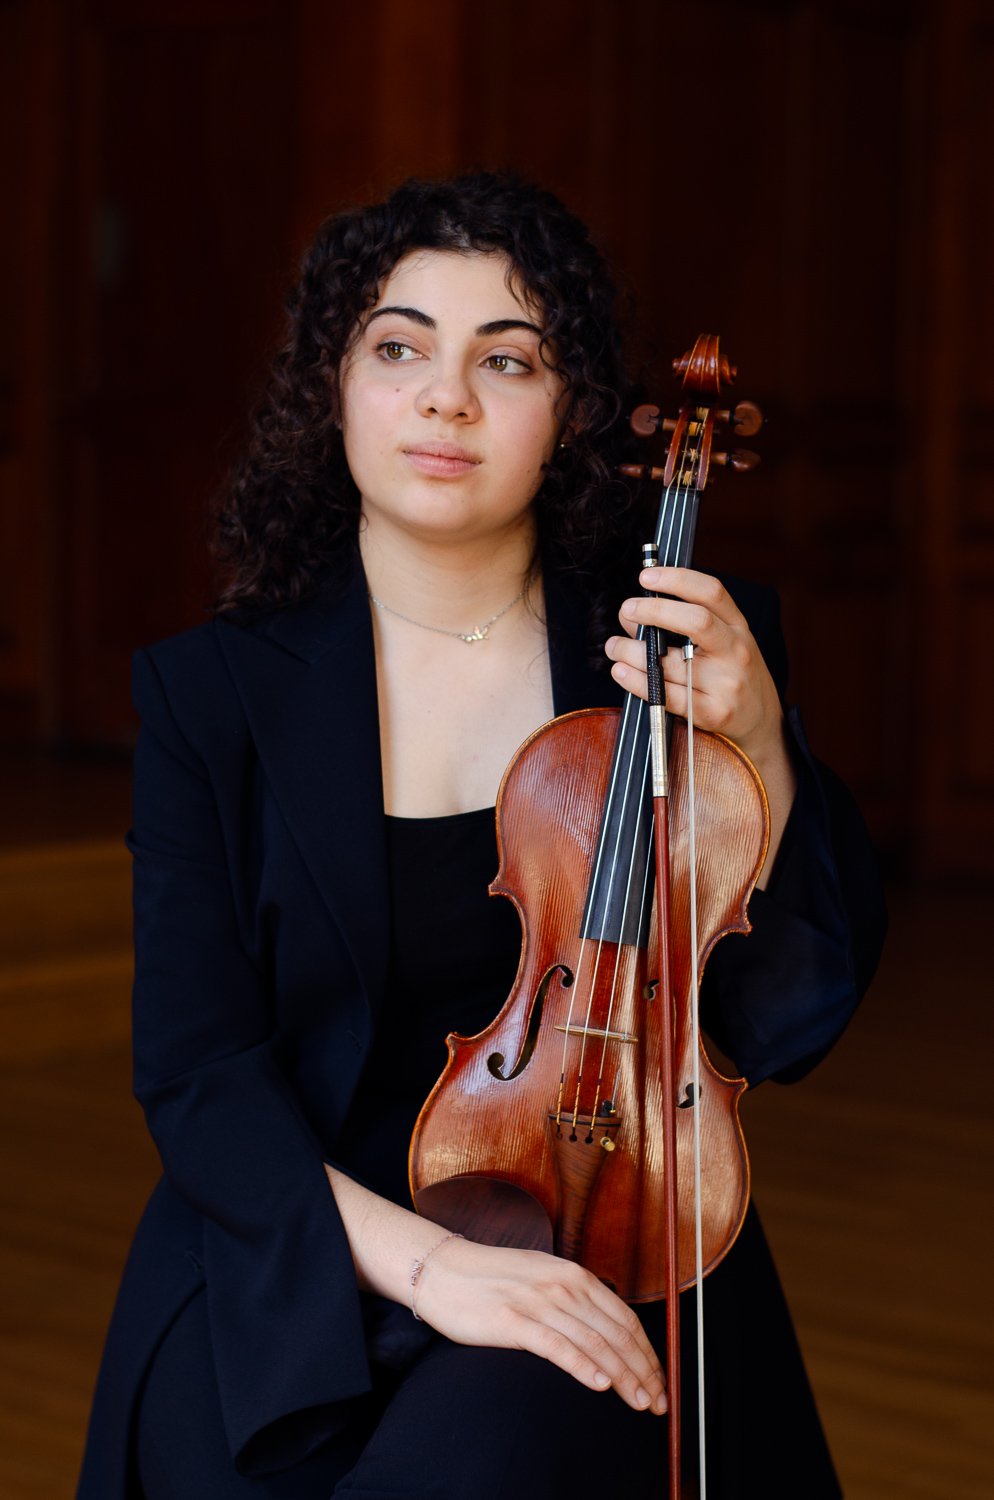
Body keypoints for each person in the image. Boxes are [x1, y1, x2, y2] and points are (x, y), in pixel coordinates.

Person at [77, 172, 886, 1500]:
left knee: (513, 1428)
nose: (444, 396)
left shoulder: (669, 649)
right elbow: (197, 1075)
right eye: (399, 348)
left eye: (503, 360)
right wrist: (443, 1270)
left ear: (565, 412)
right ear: (331, 388)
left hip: (604, 1229)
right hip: (303, 1250)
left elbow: (782, 1022)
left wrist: (760, 745)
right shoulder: (209, 696)